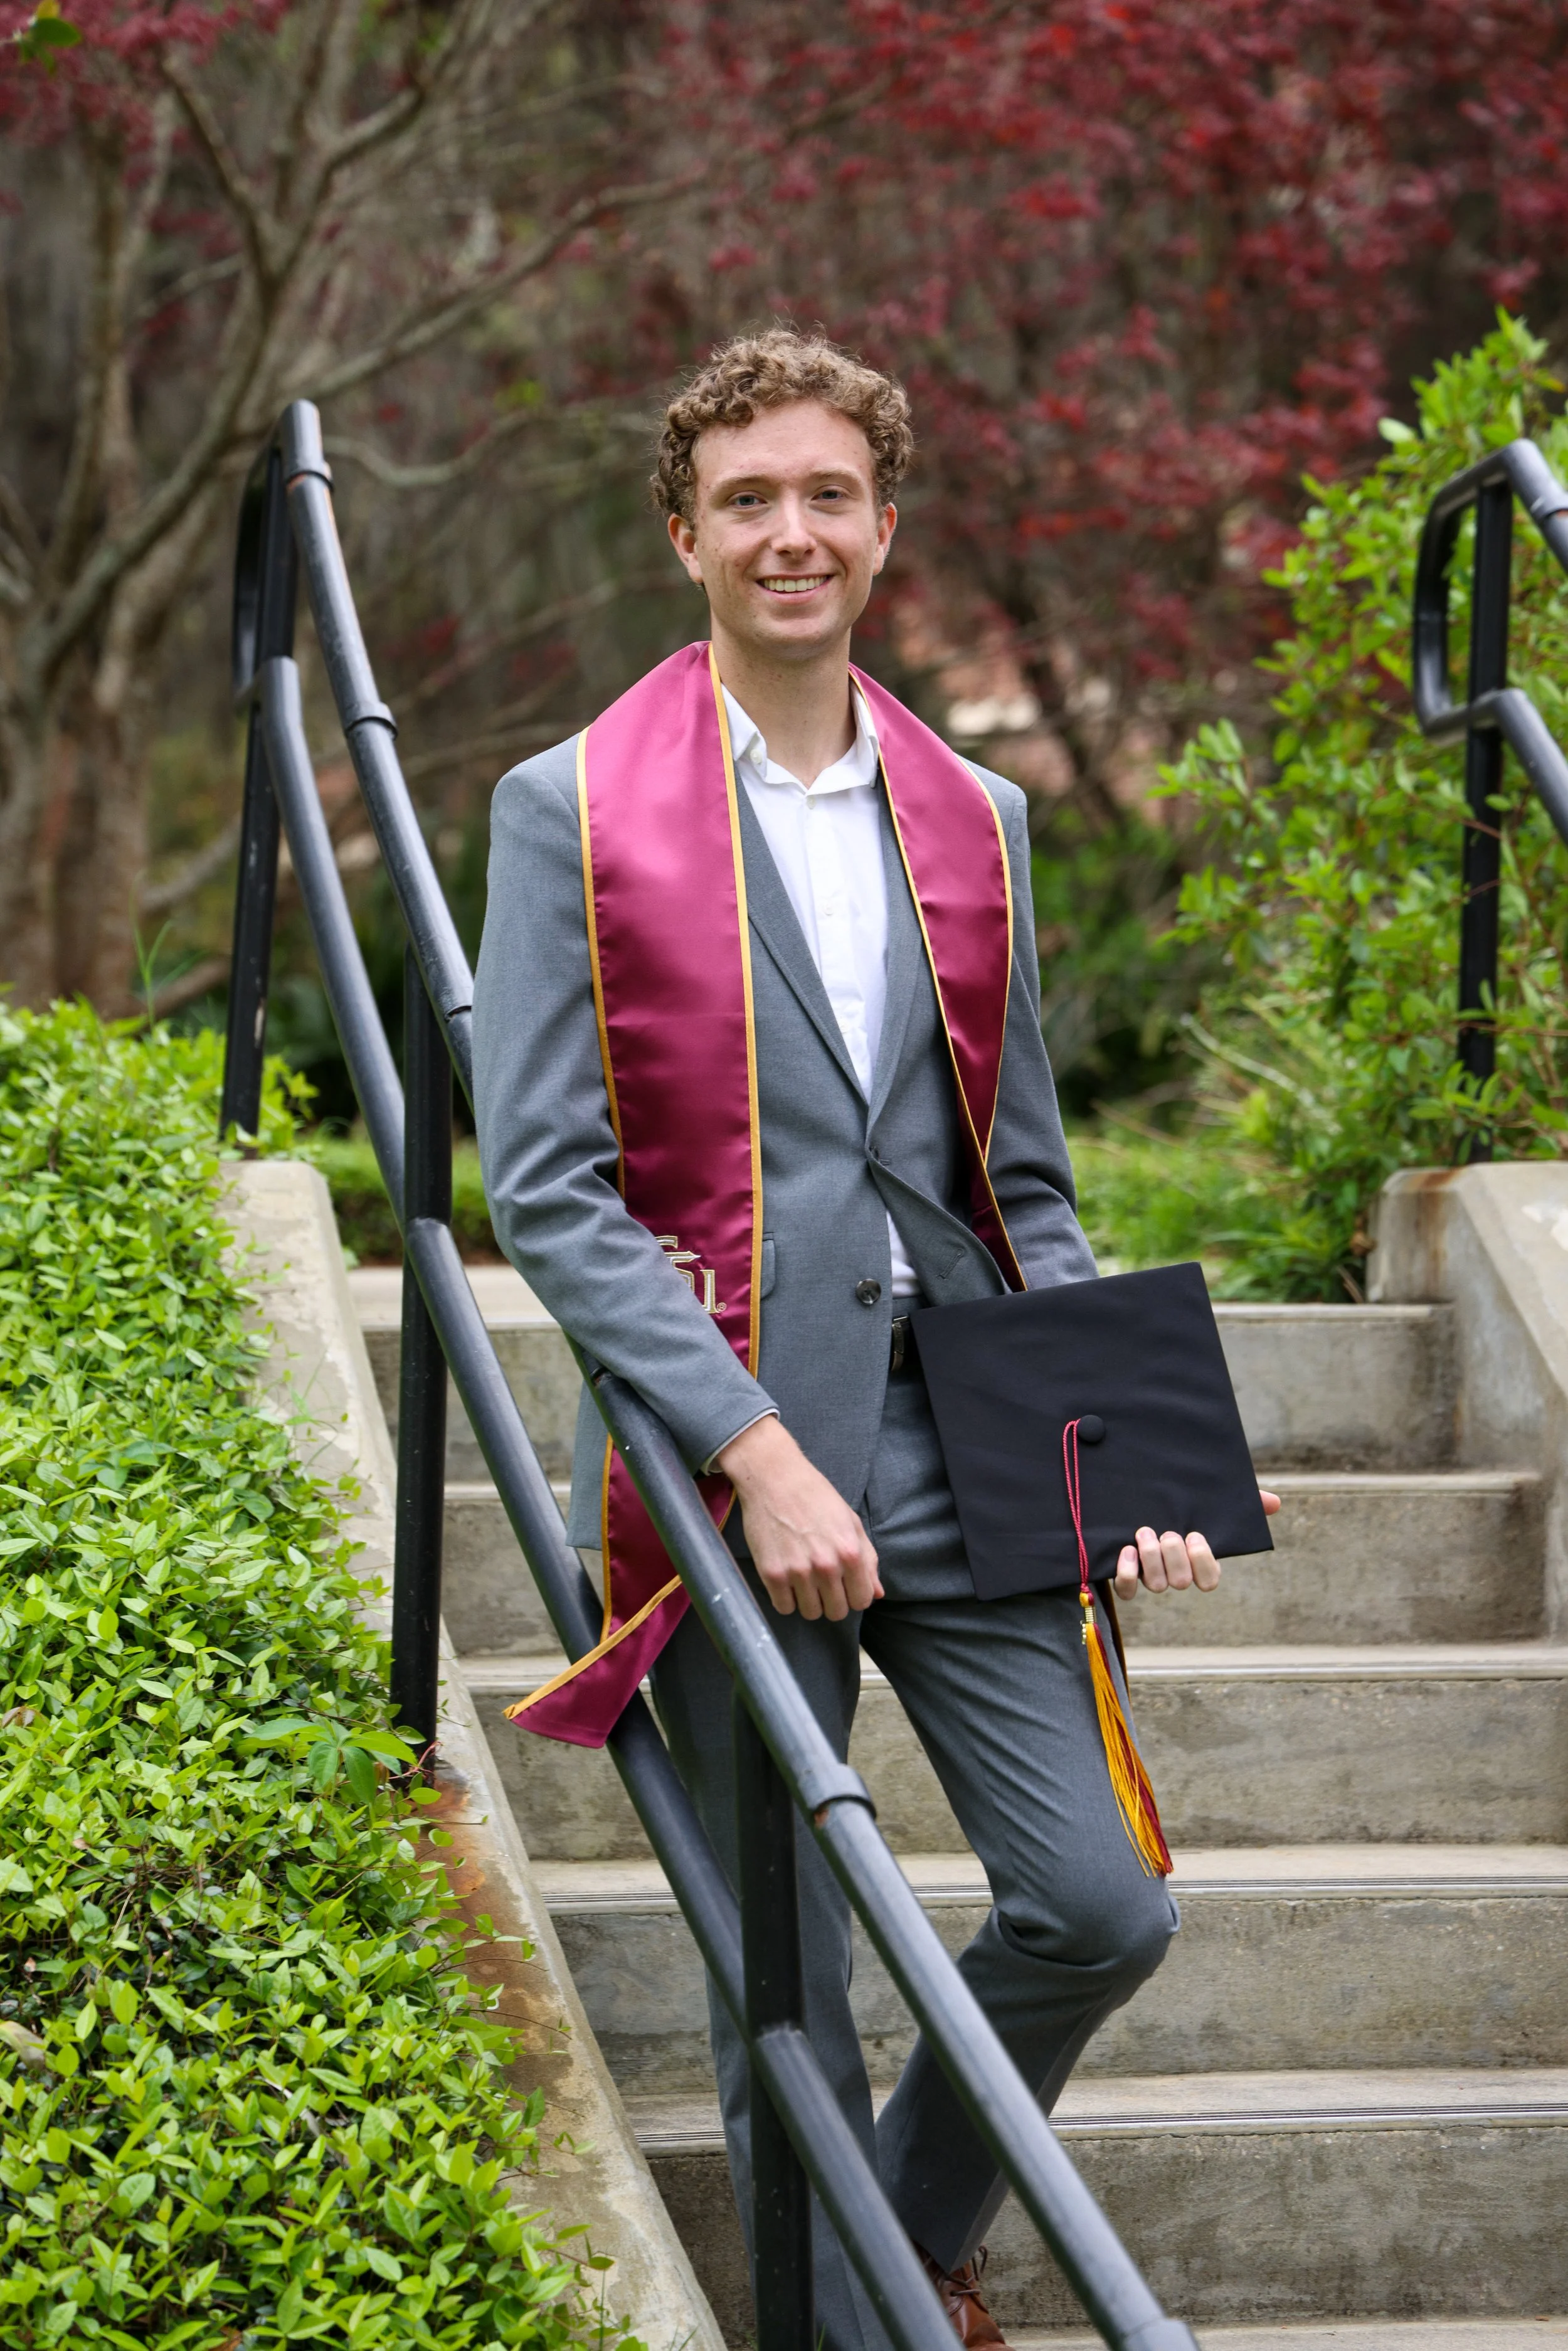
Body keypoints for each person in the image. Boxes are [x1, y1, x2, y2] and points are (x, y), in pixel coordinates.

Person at [473, 327, 1281, 2351]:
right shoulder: (564, 806)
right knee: (788, 1969)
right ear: (684, 533)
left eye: (827, 493)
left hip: (975, 1442)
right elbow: (553, 1188)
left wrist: (1130, 1466)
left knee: (1100, 1906)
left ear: (884, 524)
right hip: (739, 1463)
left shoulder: (975, 812)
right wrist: (750, 1452)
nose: (789, 531)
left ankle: (898, 2238)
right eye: (746, 498)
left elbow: (1031, 1179)